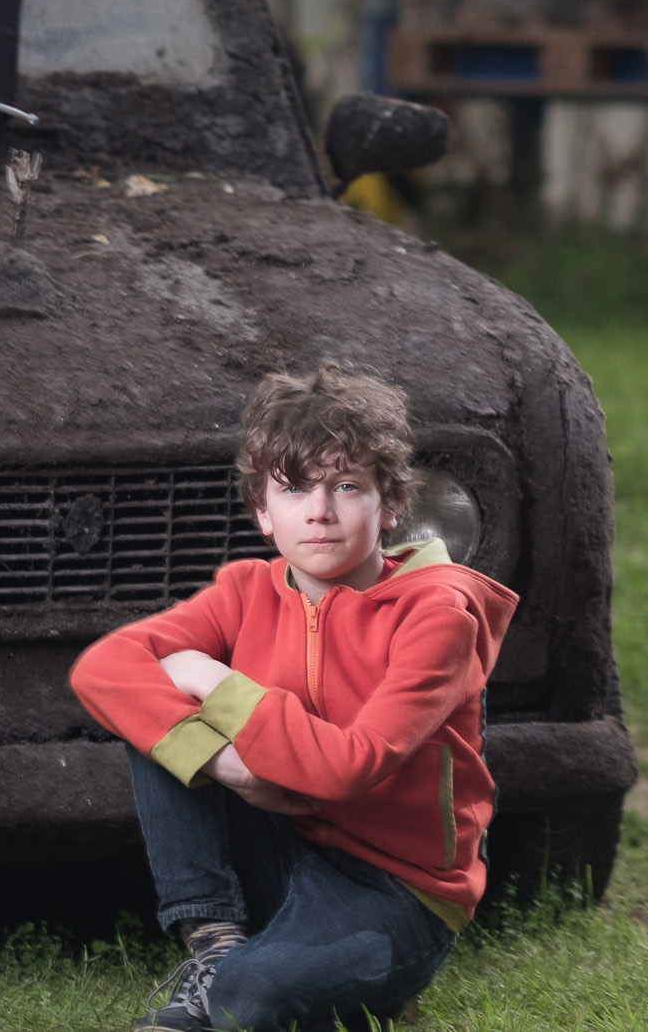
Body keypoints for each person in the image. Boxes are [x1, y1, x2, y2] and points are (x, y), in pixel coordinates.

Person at [71, 364, 518, 1029]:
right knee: (157, 718)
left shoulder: (438, 612)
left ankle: (317, 978)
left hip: (396, 885)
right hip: (281, 840)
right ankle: (215, 944)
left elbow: (348, 766)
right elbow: (103, 668)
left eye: (346, 484)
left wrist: (215, 680)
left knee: (248, 1000)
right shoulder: (247, 590)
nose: (318, 510)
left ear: (391, 504)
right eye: (292, 487)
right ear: (262, 510)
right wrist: (229, 764)